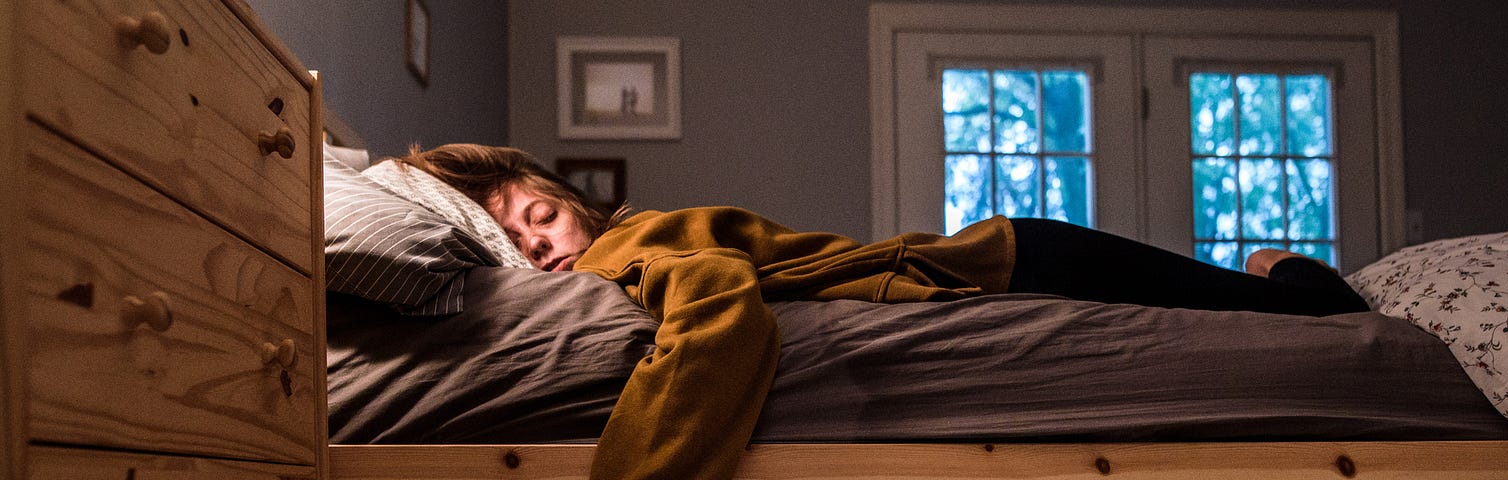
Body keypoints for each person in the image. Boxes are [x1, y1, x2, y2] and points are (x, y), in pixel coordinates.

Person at [391, 143, 1371, 480]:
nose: (542, 246)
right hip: (1001, 261)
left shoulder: (623, 247)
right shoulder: (589, 279)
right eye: (516, 243)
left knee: (1311, 315)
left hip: (1011, 262)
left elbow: (721, 309)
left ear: (574, 199)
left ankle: (1290, 267)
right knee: (1260, 310)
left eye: (541, 215)